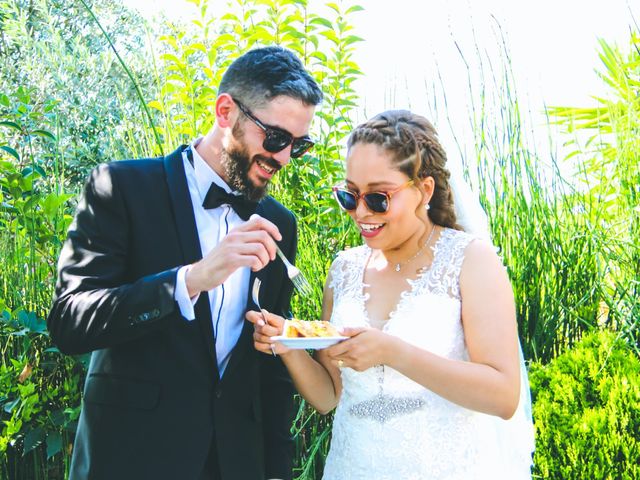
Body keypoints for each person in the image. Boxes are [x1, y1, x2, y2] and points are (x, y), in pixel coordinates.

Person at [47, 46, 323, 480]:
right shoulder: (120, 187)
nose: (285, 158)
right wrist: (190, 280)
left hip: (235, 464)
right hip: (131, 459)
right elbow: (70, 321)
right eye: (275, 138)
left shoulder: (278, 223)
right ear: (225, 111)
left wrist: (275, 470)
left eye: (298, 145)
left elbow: (269, 367)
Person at [248, 110, 535, 479]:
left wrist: (393, 352)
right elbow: (328, 396)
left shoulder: (470, 260)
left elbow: (503, 395)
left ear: (424, 190)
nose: (361, 212)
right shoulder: (344, 269)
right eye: (349, 196)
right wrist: (286, 346)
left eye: (379, 198)